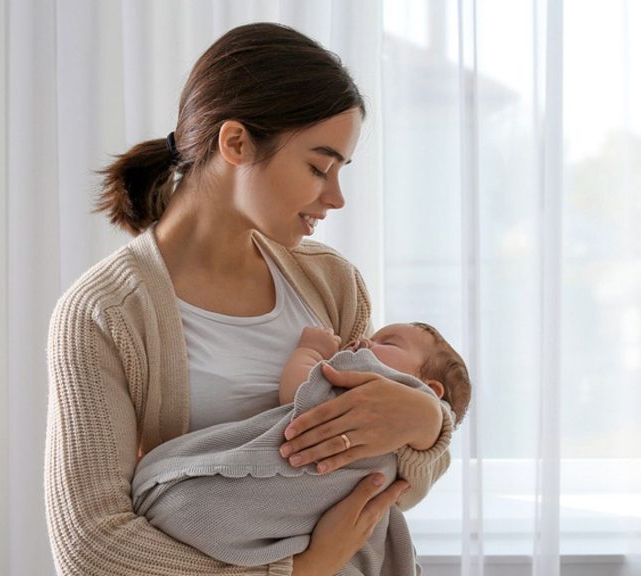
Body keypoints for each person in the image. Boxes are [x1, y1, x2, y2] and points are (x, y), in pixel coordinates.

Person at [44, 22, 453, 576]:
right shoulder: (104, 313)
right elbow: (90, 548)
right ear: (235, 142)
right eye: (318, 167)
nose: (335, 198)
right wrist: (300, 570)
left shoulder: (333, 285)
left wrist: (428, 422)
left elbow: (380, 482)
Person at [130, 323, 471, 574]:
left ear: (428, 387)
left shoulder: (370, 377)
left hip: (209, 510)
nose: (365, 340)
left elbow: (299, 393)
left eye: (388, 342)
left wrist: (309, 351)